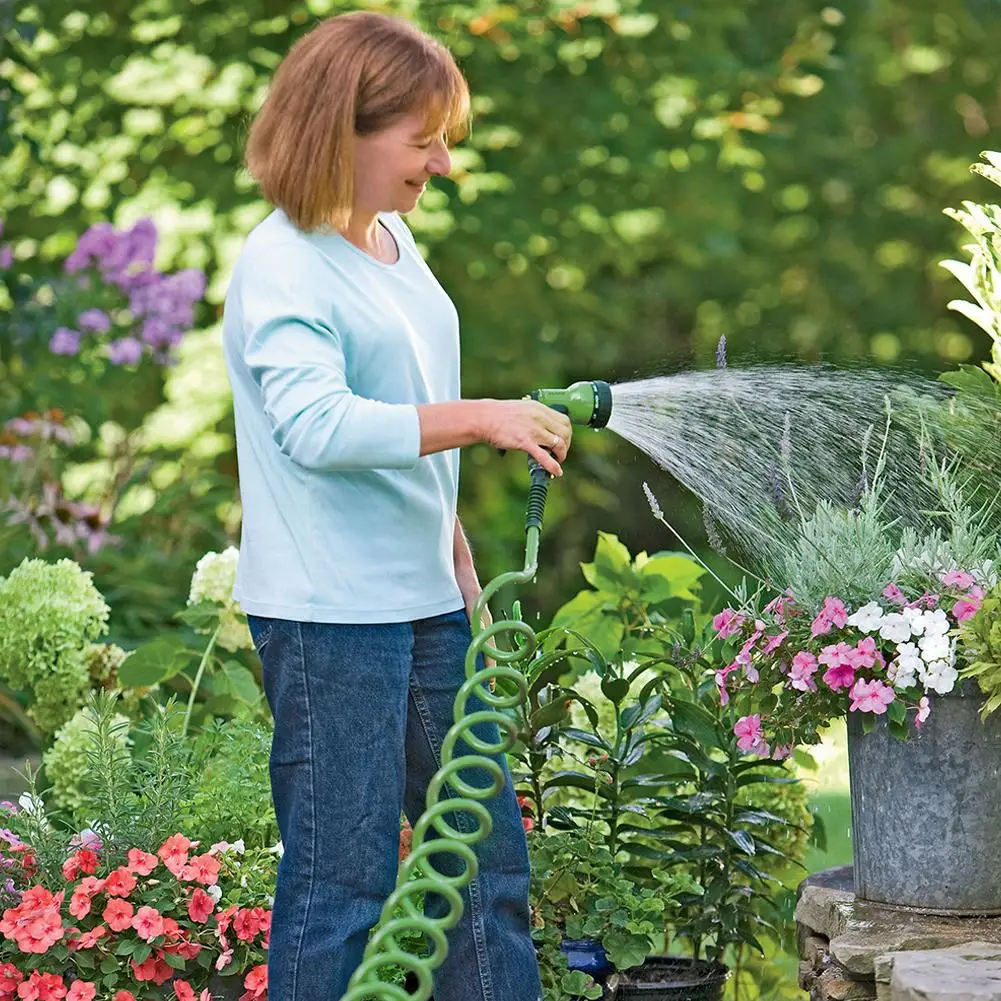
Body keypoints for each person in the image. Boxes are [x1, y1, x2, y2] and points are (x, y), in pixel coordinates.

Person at [221, 10, 572, 1001]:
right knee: (342, 886)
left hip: (422, 604)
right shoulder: (283, 259)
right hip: (332, 620)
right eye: (420, 141)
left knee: (479, 861)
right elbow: (319, 426)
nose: (441, 163)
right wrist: (483, 419)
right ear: (343, 130)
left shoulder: (391, 241)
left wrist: (451, 550)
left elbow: (398, 416)